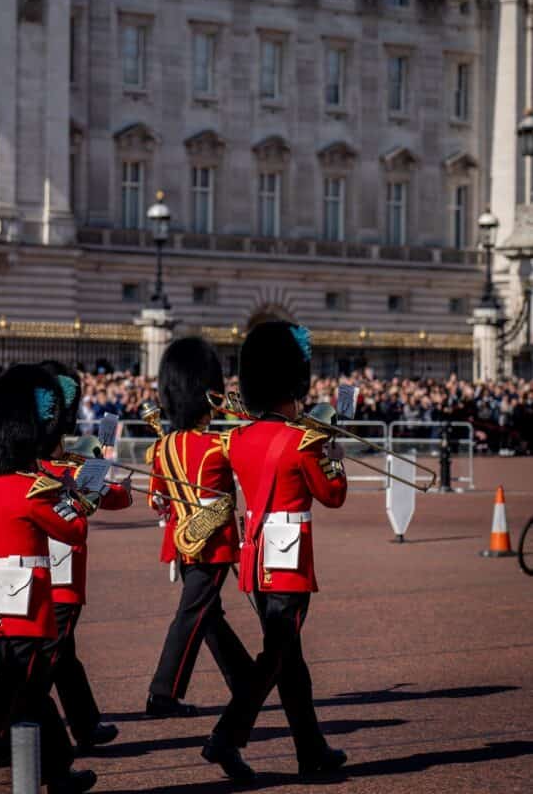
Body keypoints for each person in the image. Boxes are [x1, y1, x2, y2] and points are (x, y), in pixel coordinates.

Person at [202, 321, 348, 784]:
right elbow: (333, 495)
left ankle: (312, 750)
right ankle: (227, 735)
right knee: (278, 655)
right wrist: (335, 456)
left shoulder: (236, 439)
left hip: (255, 557)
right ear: (292, 384)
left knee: (290, 658)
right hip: (289, 561)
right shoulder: (304, 441)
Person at [0, 364, 96, 794]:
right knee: (12, 693)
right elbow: (74, 530)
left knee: (29, 691)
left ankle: (59, 772)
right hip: (29, 606)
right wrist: (79, 494)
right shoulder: (32, 490)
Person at [145, 337, 253, 718]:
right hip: (214, 542)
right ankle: (163, 692)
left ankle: (246, 680)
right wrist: (233, 406)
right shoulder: (219, 445)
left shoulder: (163, 445)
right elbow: (257, 442)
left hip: (181, 539)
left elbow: (156, 498)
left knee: (208, 613)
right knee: (193, 613)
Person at [38, 360, 132, 754]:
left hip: (29, 577)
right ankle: (4, 732)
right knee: (47, 660)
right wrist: (101, 464)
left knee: (64, 654)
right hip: (60, 579)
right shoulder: (67, 469)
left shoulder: (38, 466)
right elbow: (114, 498)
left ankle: (86, 724)